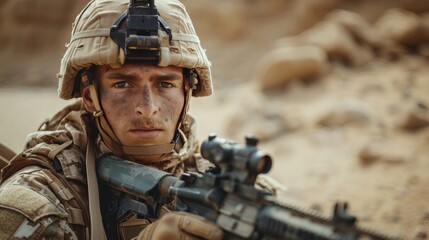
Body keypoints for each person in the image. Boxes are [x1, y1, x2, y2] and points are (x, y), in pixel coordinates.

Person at [0, 0, 224, 239]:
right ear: (90, 97)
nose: (147, 109)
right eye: (122, 84)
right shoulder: (34, 207)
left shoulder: (222, 183)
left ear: (186, 92)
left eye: (165, 84)